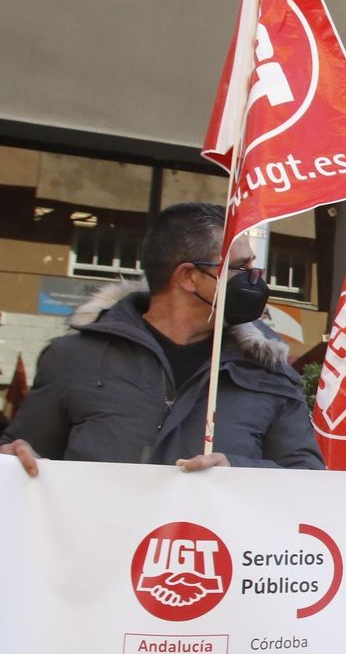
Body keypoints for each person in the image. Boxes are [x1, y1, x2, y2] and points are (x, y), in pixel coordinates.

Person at [0, 201, 321, 473]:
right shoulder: (74, 357)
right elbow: (25, 453)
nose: (254, 279)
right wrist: (13, 459)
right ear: (188, 277)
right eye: (240, 267)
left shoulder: (269, 369)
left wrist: (237, 472)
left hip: (211, 547)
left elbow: (306, 477)